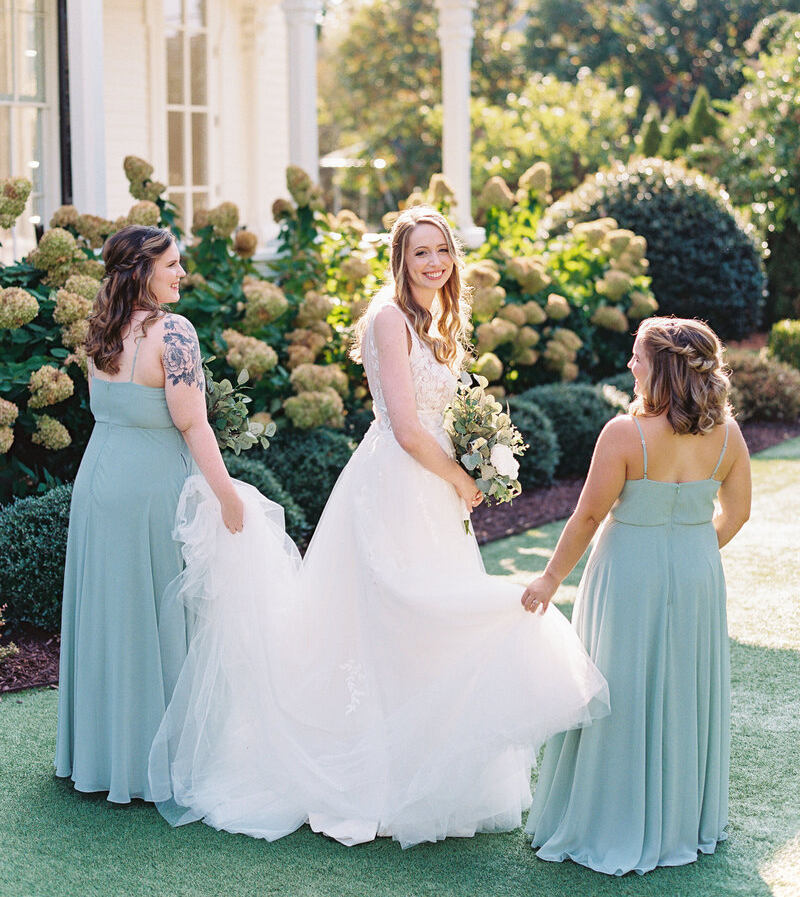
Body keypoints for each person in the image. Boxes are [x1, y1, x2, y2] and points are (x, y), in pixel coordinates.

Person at [148, 206, 609, 848]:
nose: (434, 262)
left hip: (433, 490)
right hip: (396, 484)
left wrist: (478, 455)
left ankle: (432, 772)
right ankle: (376, 776)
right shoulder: (390, 318)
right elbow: (407, 426)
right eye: (421, 252)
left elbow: (443, 415)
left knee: (424, 625)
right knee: (399, 613)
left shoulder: (440, 321)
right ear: (401, 260)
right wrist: (462, 478)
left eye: (442, 250)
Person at [522, 316, 751, 875]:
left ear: (663, 369)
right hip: (697, 575)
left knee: (617, 688)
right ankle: (681, 823)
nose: (630, 365)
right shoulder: (729, 434)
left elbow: (588, 516)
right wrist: (692, 551)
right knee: (684, 689)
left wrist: (549, 577)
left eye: (638, 358)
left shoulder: (624, 433)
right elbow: (738, 514)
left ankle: (608, 820)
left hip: (627, 572)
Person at [55, 225, 244, 804]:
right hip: (151, 489)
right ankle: (156, 761)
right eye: (172, 265)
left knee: (110, 614)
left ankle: (100, 757)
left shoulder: (100, 329)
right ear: (142, 271)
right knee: (157, 611)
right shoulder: (175, 332)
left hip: (98, 481)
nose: (181, 273)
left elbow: (109, 408)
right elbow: (192, 422)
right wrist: (227, 495)